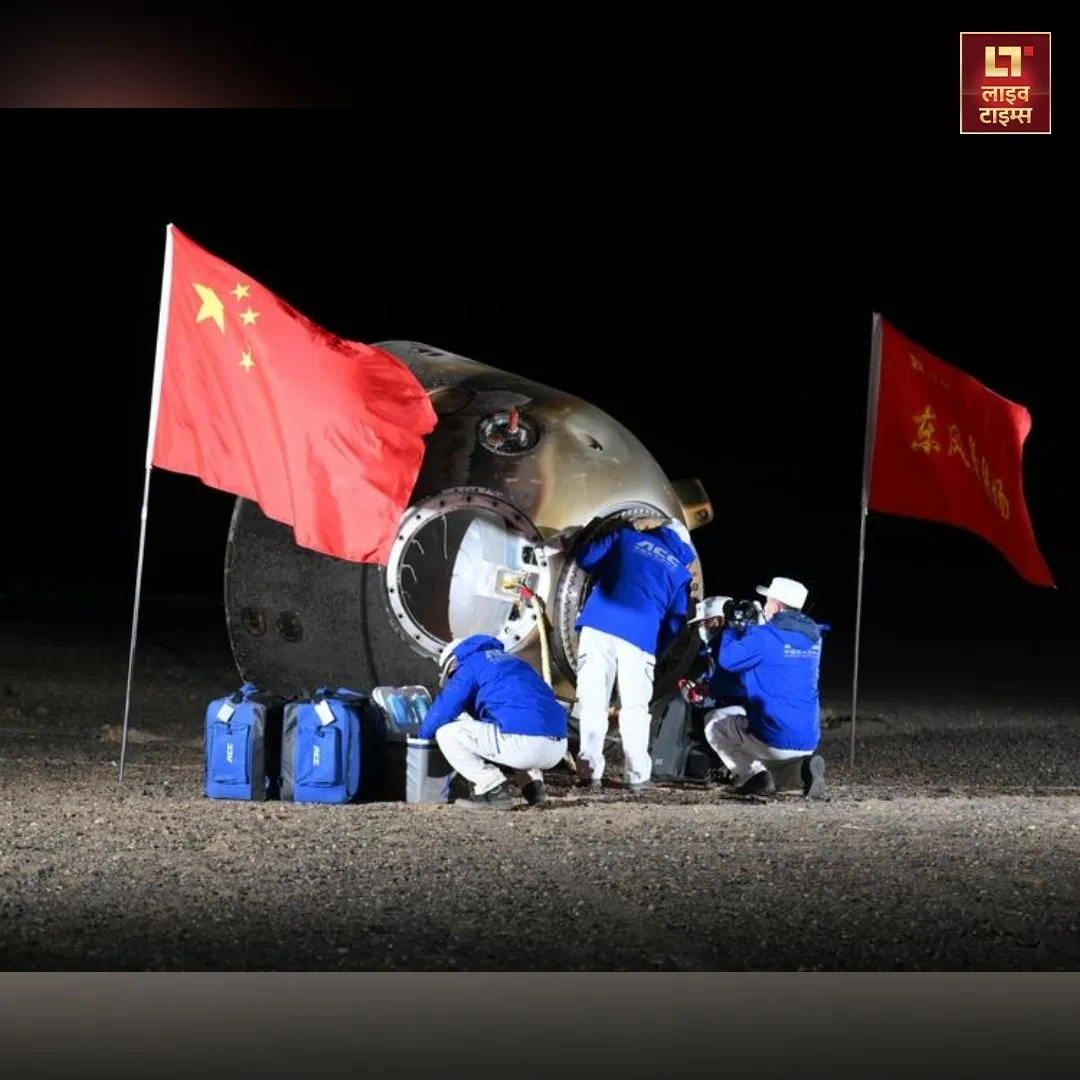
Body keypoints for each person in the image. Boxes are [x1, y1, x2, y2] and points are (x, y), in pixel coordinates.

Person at [557, 515, 697, 793]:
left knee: (593, 702)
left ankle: (588, 773)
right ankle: (637, 777)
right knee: (635, 708)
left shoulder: (626, 538)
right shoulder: (680, 572)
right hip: (640, 638)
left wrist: (613, 533)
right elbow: (675, 620)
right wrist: (654, 644)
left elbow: (586, 558)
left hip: (598, 626)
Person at [702, 576, 828, 799]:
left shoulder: (763, 637)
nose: (764, 606)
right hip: (809, 738)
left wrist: (733, 628)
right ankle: (803, 770)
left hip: (773, 737)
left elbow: (728, 661)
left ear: (777, 607)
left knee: (714, 723)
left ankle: (751, 776)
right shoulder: (814, 637)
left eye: (768, 601)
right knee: (778, 773)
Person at [417, 633, 570, 810]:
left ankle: (492, 788)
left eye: (451, 676)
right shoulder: (514, 661)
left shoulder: (468, 666)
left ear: (452, 664)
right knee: (511, 726)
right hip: (558, 746)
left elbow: (444, 707)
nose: (452, 679)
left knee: (446, 734)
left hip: (528, 746)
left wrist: (421, 738)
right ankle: (534, 788)